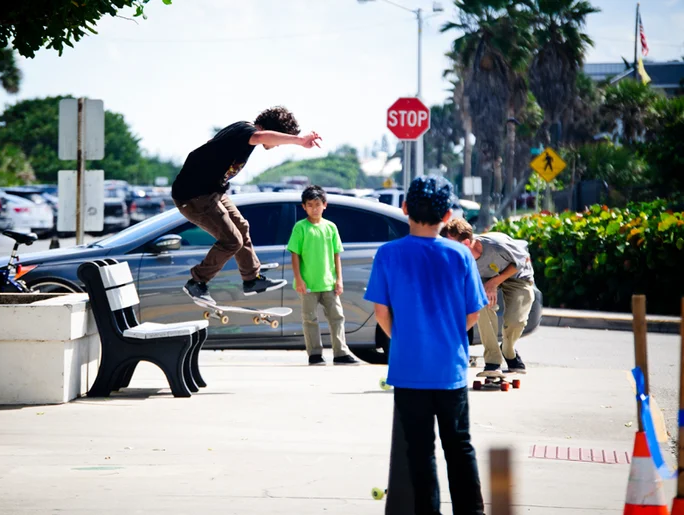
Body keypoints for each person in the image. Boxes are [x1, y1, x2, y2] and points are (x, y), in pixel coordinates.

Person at [364, 175, 487, 515]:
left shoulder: (388, 254)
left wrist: (405, 340)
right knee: (460, 446)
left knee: (420, 451)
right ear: (448, 216)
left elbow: (381, 312)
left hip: (407, 370)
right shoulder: (460, 256)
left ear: (404, 209)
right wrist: (447, 333)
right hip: (450, 369)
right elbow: (473, 312)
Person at [172, 106, 322, 304]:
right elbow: (261, 137)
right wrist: (300, 141)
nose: (276, 146)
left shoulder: (239, 134)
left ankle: (251, 279)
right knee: (232, 241)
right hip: (193, 196)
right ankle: (197, 282)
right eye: (277, 141)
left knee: (242, 227)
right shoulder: (245, 132)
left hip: (212, 192)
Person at [442, 218, 535, 377]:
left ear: (465, 243)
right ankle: (492, 361)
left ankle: (508, 350)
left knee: (516, 321)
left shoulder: (495, 244)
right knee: (480, 302)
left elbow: (523, 259)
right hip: (485, 278)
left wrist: (494, 282)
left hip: (517, 276)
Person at [287, 185, 358, 366]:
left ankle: (341, 353)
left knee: (337, 317)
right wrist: (299, 279)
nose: (314, 208)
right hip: (308, 283)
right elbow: (295, 255)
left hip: (329, 282)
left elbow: (336, 255)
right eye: (310, 205)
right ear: (304, 207)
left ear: (324, 205)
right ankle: (315, 354)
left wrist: (339, 279)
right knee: (310, 319)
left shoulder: (331, 228)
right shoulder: (300, 228)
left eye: (317, 204)